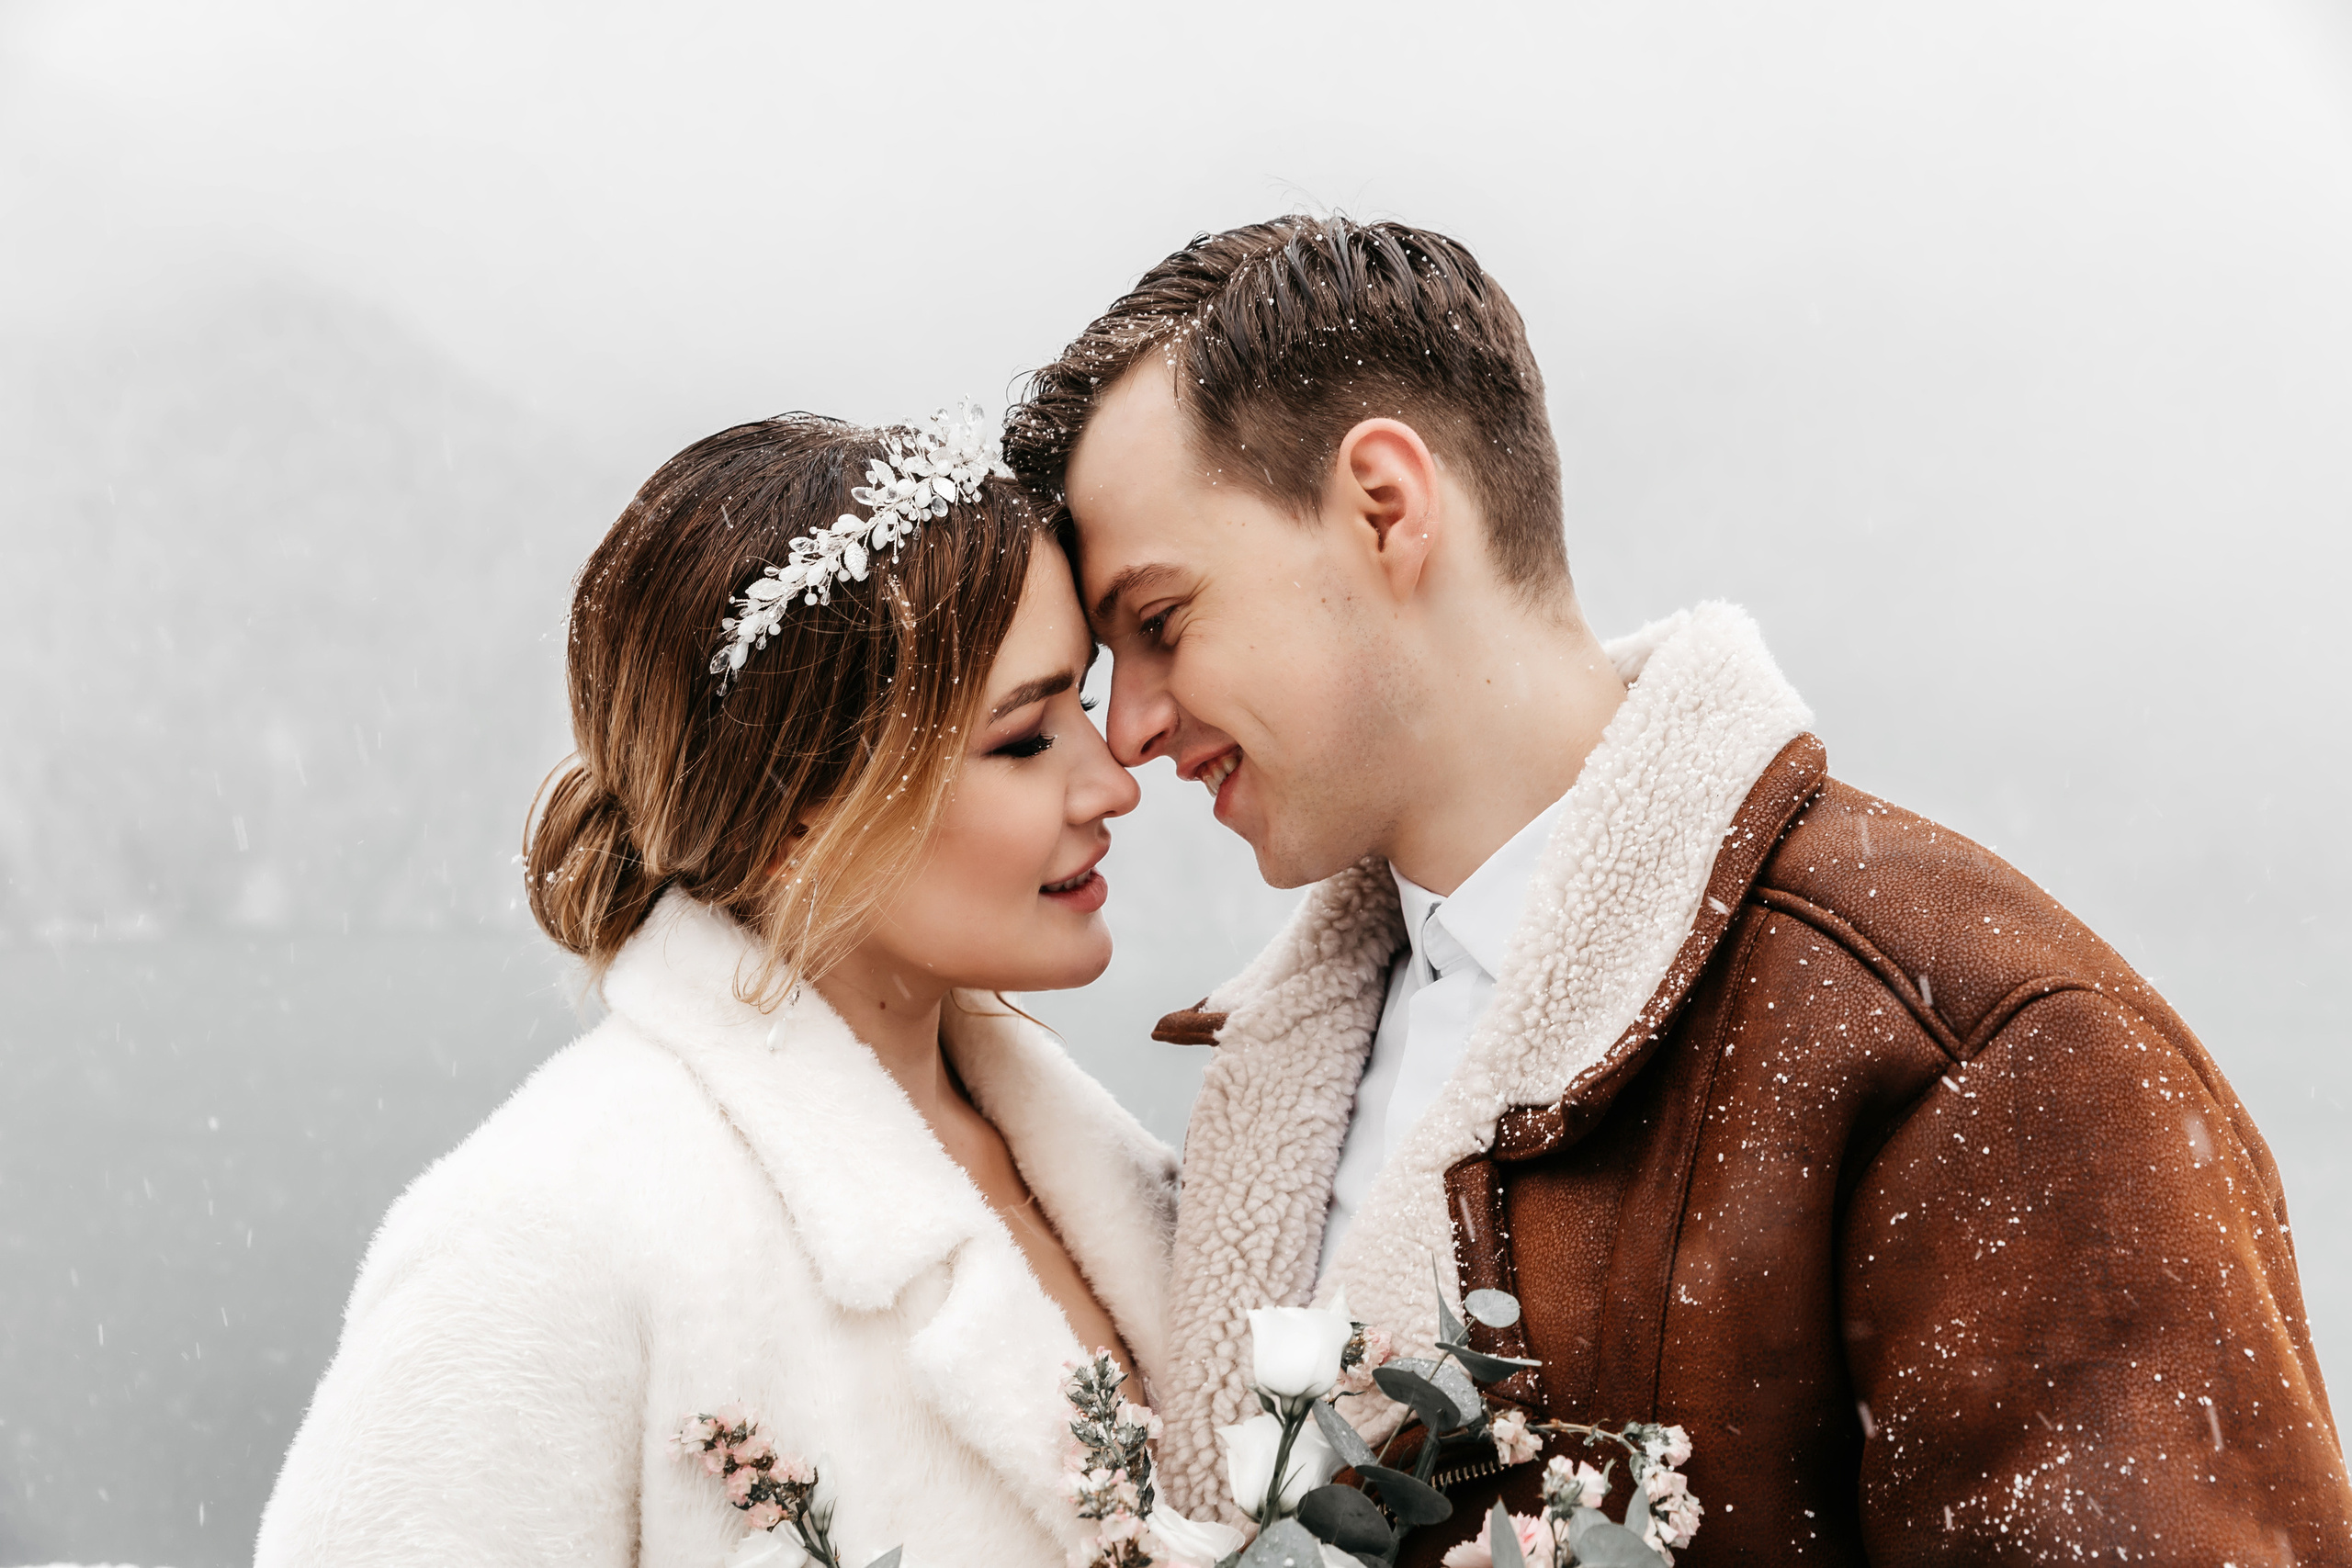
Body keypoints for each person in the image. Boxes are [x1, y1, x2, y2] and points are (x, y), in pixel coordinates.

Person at [1004, 216, 2352, 1562]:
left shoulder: (1984, 1042)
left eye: (1163, 622)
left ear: (1384, 507)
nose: (1129, 731)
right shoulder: (1280, 1085)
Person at [256, 411, 1173, 1566]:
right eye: (1023, 740)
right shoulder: (546, 1231)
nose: (1113, 784)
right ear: (798, 814)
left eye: (1080, 706)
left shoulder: (1113, 1178)